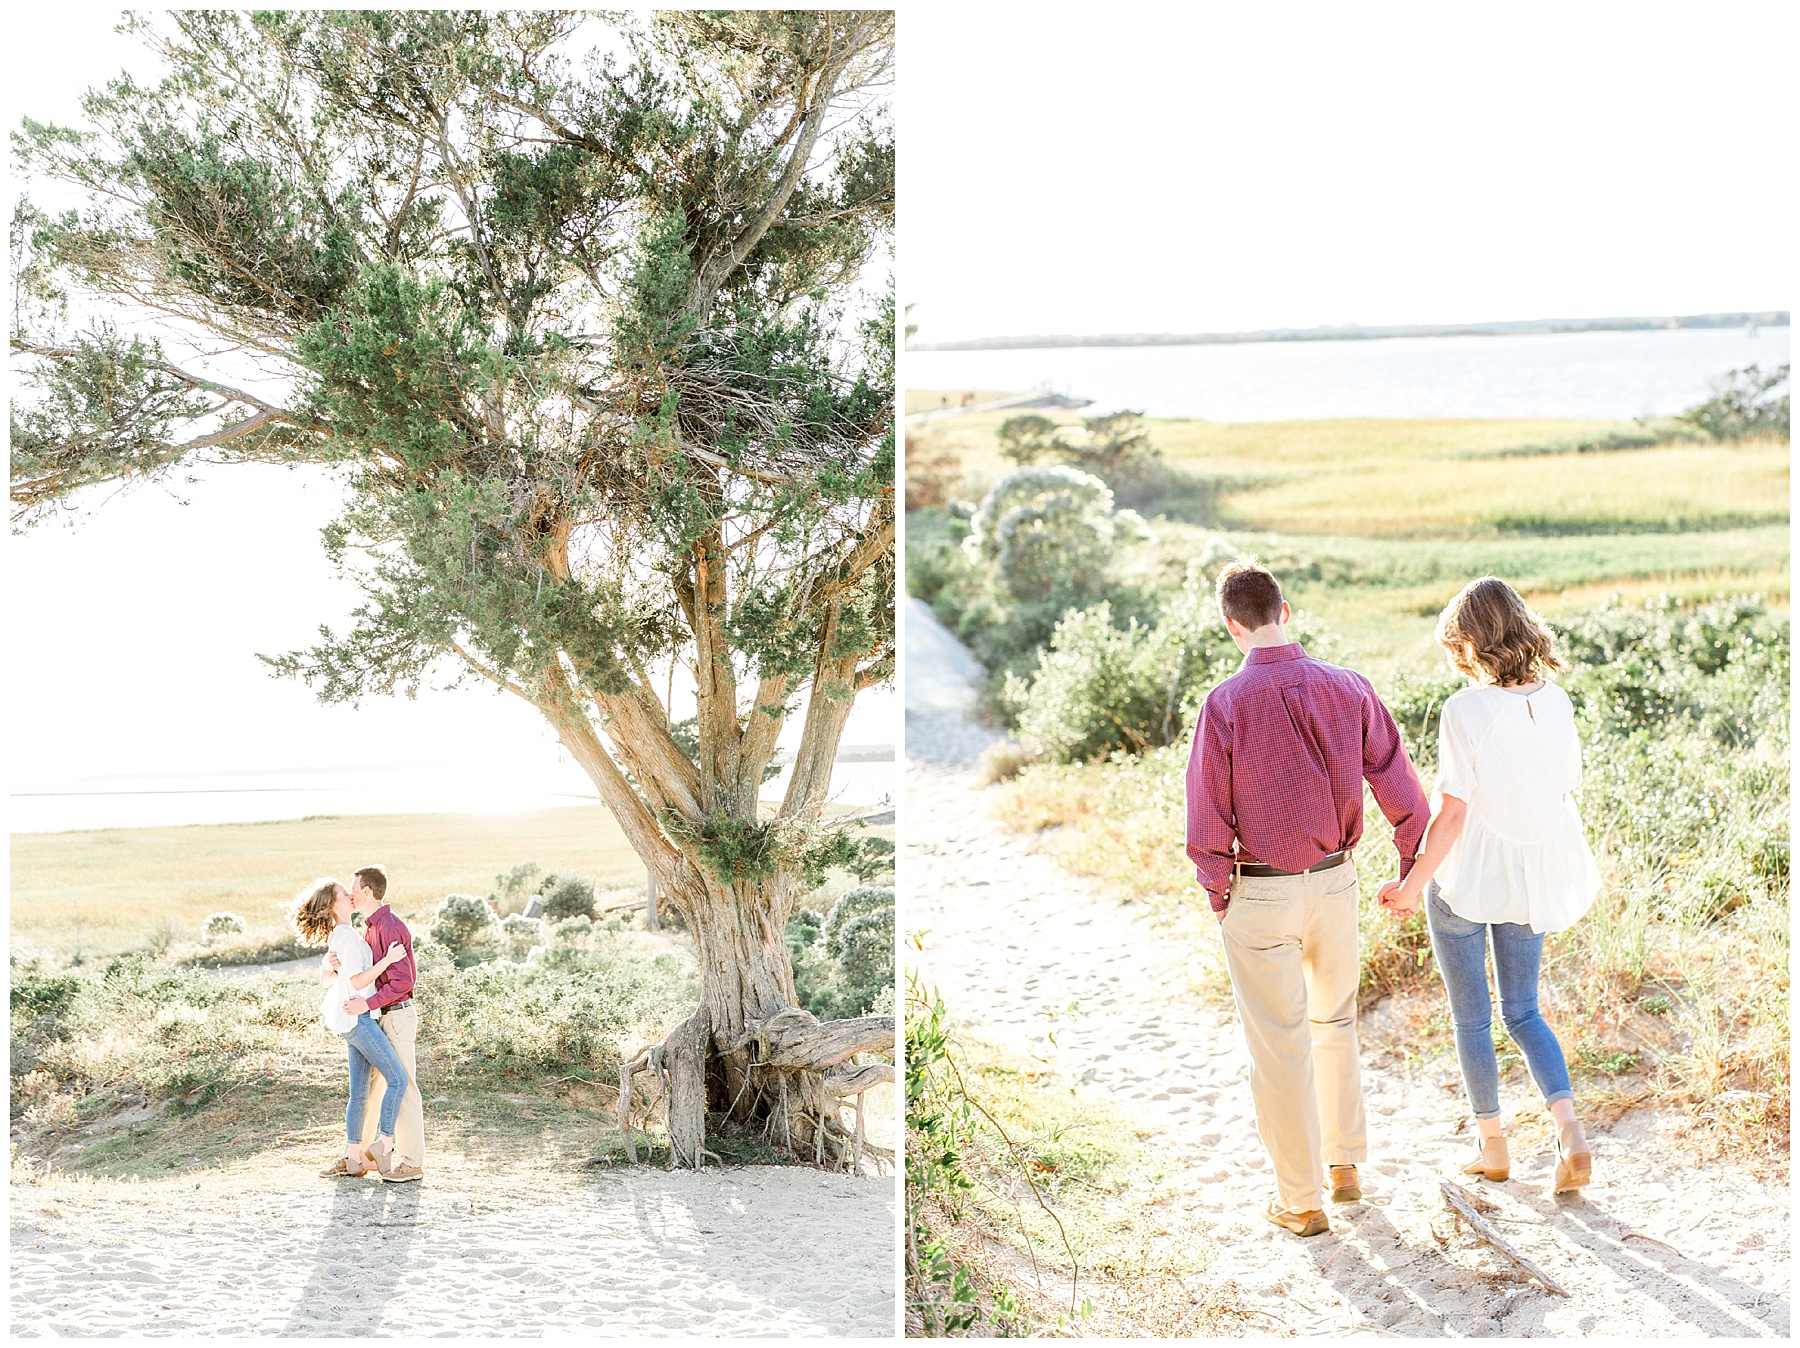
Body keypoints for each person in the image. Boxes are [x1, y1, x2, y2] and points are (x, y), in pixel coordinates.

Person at [1185, 558, 1429, 1237]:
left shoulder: (1224, 705)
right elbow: (1401, 788)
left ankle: (1300, 1201)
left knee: (1279, 1046)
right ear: (1285, 611)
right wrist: (1410, 867)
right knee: (1335, 1023)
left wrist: (1219, 895)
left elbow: (1206, 818)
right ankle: (1345, 1165)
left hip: (1258, 889)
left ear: (1232, 626)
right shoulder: (1349, 688)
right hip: (1335, 881)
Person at [1377, 577, 1601, 1194]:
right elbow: (1560, 789)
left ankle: (1493, 1145)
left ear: (1471, 641)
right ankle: (1570, 1132)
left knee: (1472, 1020)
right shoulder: (1557, 701)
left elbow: (1451, 814)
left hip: (1468, 876)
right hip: (1531, 874)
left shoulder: (1465, 708)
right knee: (1524, 1011)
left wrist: (1408, 883)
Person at [290, 878, 411, 1179]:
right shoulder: (343, 934)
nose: (350, 894)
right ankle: (384, 1145)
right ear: (334, 904)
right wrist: (387, 961)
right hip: (359, 1019)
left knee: (358, 1093)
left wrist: (331, 965)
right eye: (345, 893)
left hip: (350, 1020)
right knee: (397, 1079)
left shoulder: (343, 934)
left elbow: (328, 980)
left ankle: (354, 1157)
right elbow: (357, 982)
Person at [332, 865, 425, 1183]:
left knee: (404, 1085)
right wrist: (337, 966)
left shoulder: (390, 926)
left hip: (396, 1015)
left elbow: (403, 981)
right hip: (378, 1017)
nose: (350, 894)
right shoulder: (370, 929)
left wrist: (366, 1004)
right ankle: (359, 1157)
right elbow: (365, 973)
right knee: (372, 1089)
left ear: (367, 891)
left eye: (353, 888)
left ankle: (411, 1162)